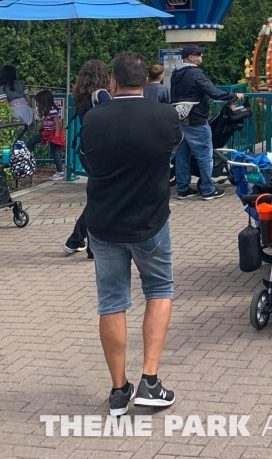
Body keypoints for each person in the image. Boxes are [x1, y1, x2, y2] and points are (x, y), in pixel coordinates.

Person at [80, 51, 182, 415]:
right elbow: (173, 148)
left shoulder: (93, 119)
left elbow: (87, 160)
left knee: (112, 302)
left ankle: (118, 391)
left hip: (104, 223)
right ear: (145, 82)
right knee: (159, 289)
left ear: (113, 82)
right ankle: (150, 382)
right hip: (150, 220)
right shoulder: (165, 116)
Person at [170, 44, 242, 201]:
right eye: (199, 54)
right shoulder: (195, 73)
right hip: (196, 119)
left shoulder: (176, 72)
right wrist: (233, 96)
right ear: (191, 57)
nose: (201, 57)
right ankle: (208, 189)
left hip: (180, 117)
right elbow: (213, 92)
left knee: (182, 155)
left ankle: (183, 189)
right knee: (204, 154)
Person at [64, 60, 112, 257]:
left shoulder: (80, 95)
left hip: (87, 150)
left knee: (99, 196)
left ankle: (79, 240)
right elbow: (114, 117)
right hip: (103, 151)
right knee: (101, 199)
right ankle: (83, 241)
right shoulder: (101, 94)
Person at [27, 89, 65, 180]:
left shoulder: (53, 111)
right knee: (32, 141)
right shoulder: (47, 110)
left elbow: (57, 123)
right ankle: (28, 158)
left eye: (39, 102)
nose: (38, 104)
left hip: (53, 133)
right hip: (46, 132)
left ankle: (60, 172)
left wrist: (56, 137)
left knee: (54, 152)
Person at [0, 64, 33, 130]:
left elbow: (5, 102)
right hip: (26, 109)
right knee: (25, 132)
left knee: (17, 132)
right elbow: (28, 98)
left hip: (15, 110)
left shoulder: (2, 87)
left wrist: (10, 113)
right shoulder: (20, 83)